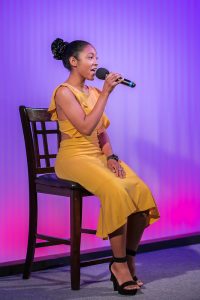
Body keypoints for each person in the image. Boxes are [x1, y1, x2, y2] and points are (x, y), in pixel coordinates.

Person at [48, 38, 160, 295]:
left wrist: (111, 157)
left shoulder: (94, 93)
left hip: (98, 156)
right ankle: (118, 266)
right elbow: (85, 127)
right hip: (73, 158)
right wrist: (107, 92)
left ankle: (129, 258)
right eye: (90, 57)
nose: (96, 62)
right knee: (117, 192)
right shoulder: (64, 92)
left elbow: (101, 134)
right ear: (74, 62)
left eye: (96, 57)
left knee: (140, 190)